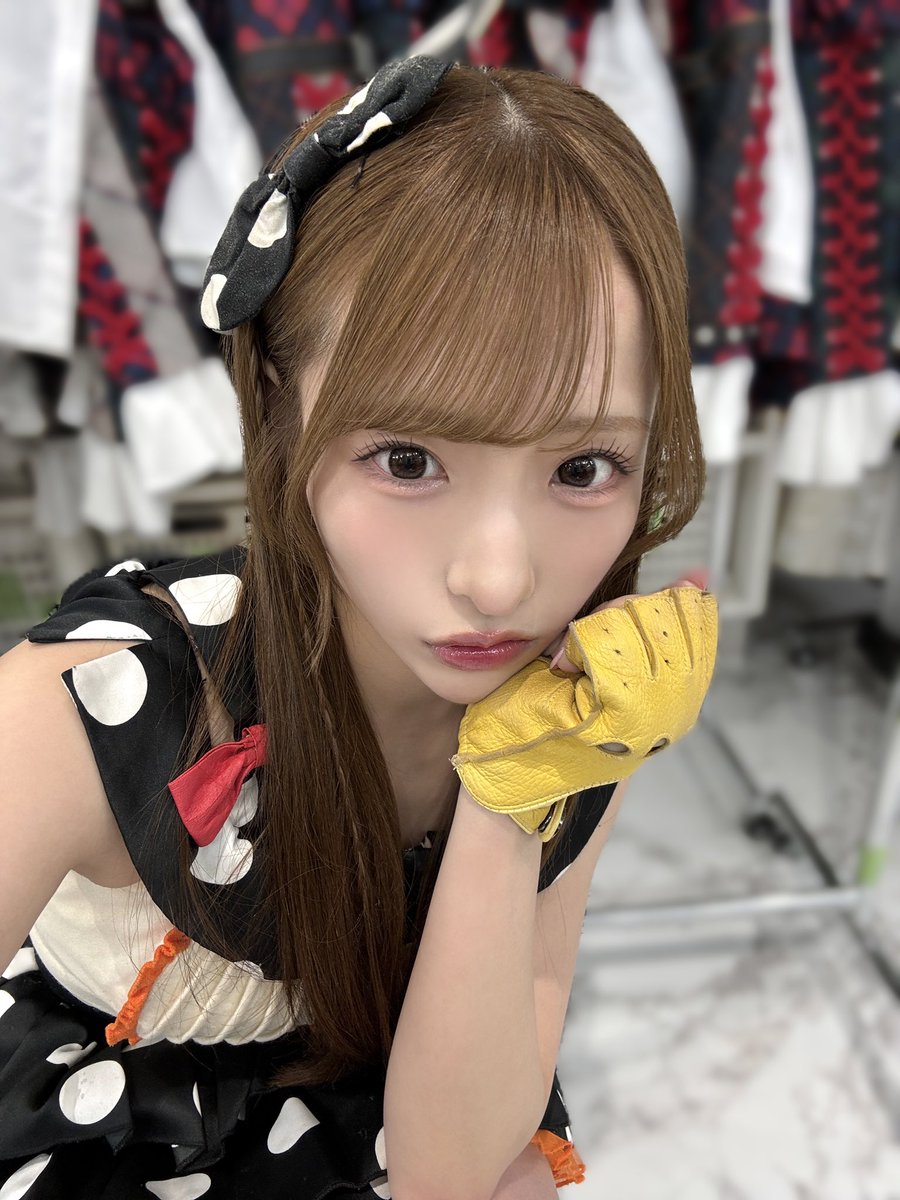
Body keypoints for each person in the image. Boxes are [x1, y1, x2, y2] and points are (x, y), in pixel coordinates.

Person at [0, 56, 716, 1199]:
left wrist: (510, 798)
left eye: (585, 467)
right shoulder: (89, 707)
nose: (499, 581)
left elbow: (448, 1169)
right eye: (408, 460)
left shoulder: (572, 706)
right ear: (278, 410)